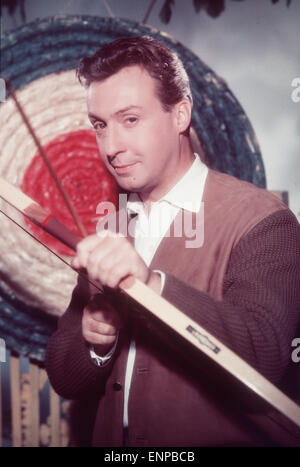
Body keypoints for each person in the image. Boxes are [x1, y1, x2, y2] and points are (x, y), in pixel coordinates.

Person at [45, 36, 300, 447]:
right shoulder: (113, 228)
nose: (111, 147)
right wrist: (96, 344)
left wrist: (151, 287)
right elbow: (62, 373)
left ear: (180, 114)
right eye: (100, 125)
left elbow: (264, 356)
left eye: (130, 120)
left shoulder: (265, 221)